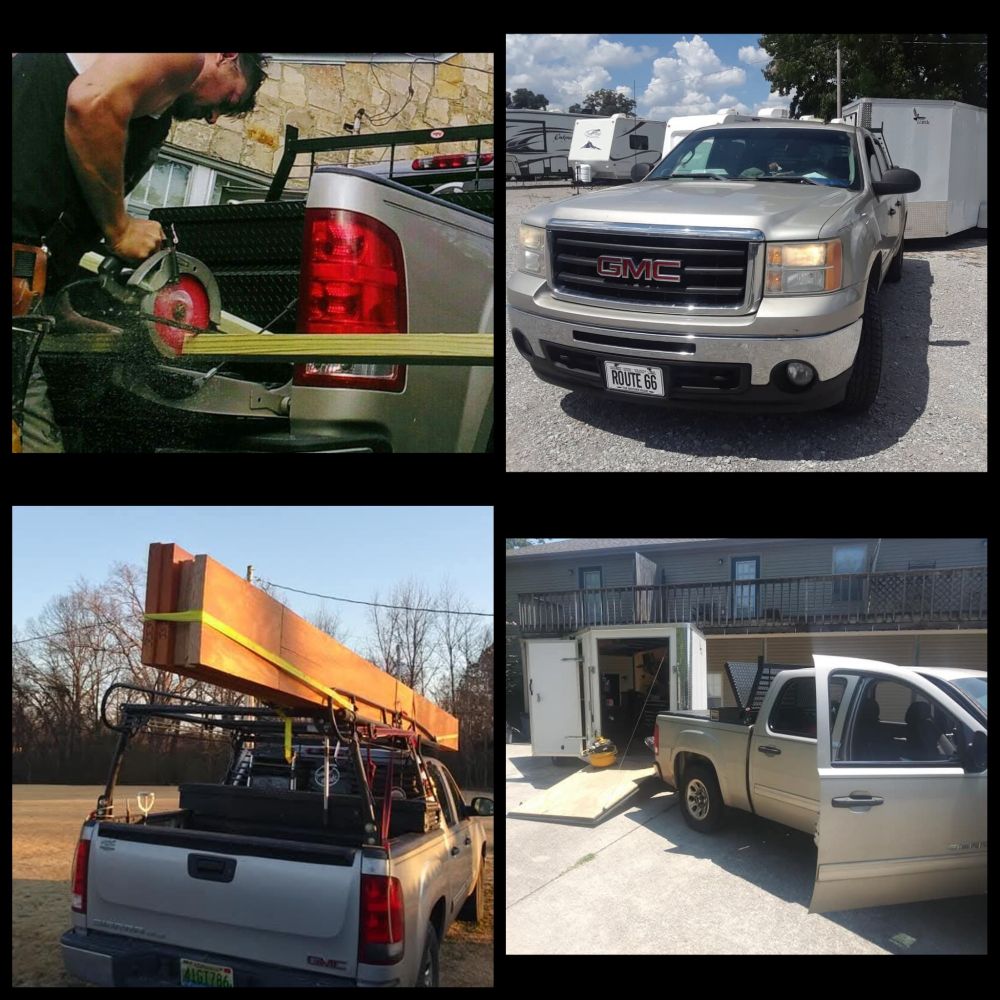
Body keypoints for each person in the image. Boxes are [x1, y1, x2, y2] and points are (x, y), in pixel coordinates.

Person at [11, 53, 270, 452]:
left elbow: (50, 185)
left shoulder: (148, 105)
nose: (213, 118)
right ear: (225, 56)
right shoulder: (185, 58)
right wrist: (120, 228)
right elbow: (91, 101)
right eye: (228, 99)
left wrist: (56, 308)